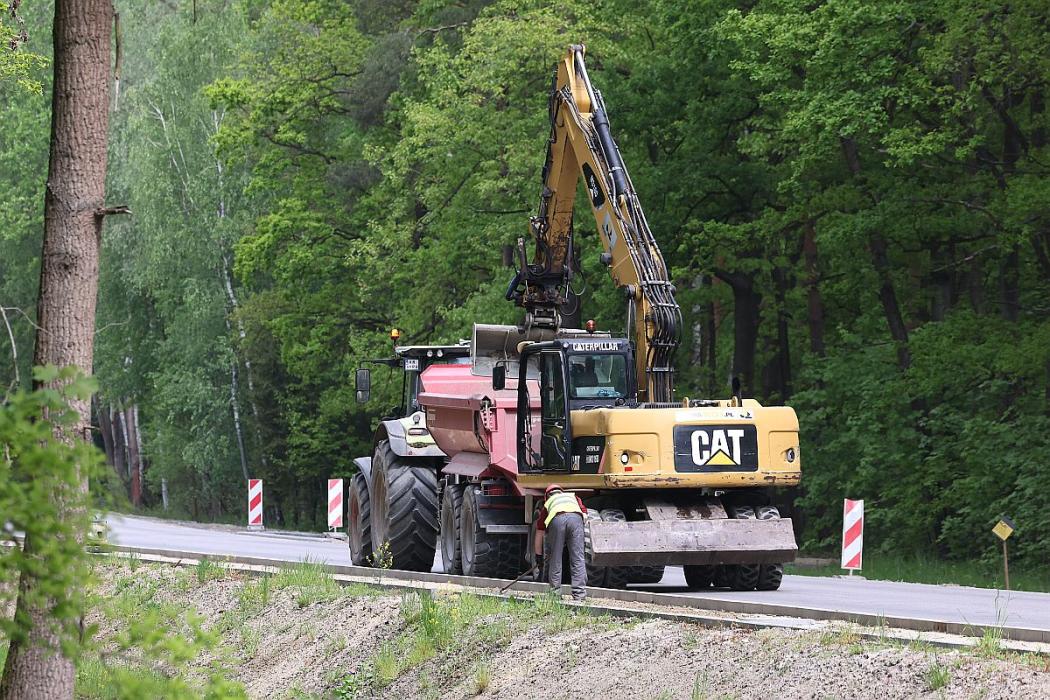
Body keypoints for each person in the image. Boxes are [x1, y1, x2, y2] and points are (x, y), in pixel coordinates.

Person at [534, 484, 588, 601]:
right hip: (576, 520)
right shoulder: (573, 497)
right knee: (578, 558)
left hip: (557, 520)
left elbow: (540, 531)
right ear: (561, 492)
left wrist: (538, 556)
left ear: (547, 496)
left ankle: (555, 594)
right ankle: (580, 595)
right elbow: (584, 513)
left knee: (555, 558)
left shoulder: (548, 503)